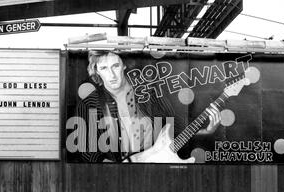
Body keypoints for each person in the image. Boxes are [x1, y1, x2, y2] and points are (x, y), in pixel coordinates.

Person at [74, 50, 221, 163]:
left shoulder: (150, 93)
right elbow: (84, 148)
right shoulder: (89, 102)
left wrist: (204, 132)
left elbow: (175, 130)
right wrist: (112, 168)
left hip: (155, 169)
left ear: (124, 65)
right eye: (104, 68)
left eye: (115, 66)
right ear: (96, 70)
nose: (112, 74)